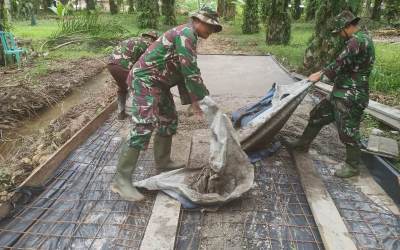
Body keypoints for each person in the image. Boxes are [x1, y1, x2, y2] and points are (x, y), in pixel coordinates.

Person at [111, 7, 223, 201]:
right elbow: (190, 70)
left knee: (168, 119)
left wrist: (193, 101)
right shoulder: (186, 33)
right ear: (199, 21)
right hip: (145, 81)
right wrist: (205, 99)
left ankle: (163, 163)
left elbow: (180, 72)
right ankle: (121, 180)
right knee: (143, 126)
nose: (211, 32)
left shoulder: (188, 35)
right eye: (211, 27)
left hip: (159, 84)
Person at [288, 10, 375, 178]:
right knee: (317, 115)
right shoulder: (358, 39)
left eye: (340, 32)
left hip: (351, 95)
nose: (339, 35)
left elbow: (340, 62)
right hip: (340, 92)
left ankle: (352, 166)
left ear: (348, 27)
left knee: (348, 131)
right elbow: (343, 64)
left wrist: (320, 74)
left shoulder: (358, 41)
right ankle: (302, 144)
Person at [107, 31, 159, 120]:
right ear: (153, 39)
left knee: (122, 88)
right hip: (122, 66)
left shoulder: (134, 40)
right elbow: (146, 64)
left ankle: (121, 113)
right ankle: (138, 116)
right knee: (138, 86)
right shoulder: (148, 44)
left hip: (111, 65)